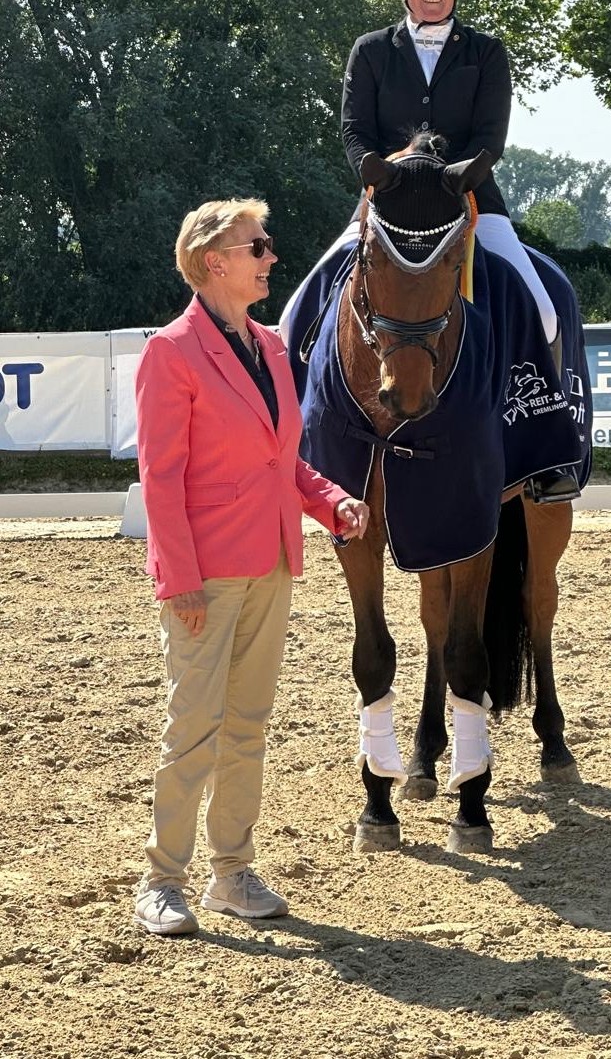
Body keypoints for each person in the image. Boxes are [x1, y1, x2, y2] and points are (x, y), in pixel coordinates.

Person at [133, 198, 369, 937]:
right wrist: (179, 578)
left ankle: (230, 871)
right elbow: (160, 476)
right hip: (204, 574)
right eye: (257, 246)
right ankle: (161, 879)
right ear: (215, 261)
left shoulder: (269, 345)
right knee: (193, 727)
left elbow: (282, 458)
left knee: (248, 726)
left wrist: (330, 500)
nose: (270, 256)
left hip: (271, 562)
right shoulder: (170, 352)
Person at [340, 0, 578, 502]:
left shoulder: (486, 52)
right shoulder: (371, 50)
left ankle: (544, 447)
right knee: (307, 300)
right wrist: (376, 169)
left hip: (470, 201)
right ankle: (311, 430)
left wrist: (457, 176)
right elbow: (353, 128)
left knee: (541, 308)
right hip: (386, 204)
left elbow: (491, 136)